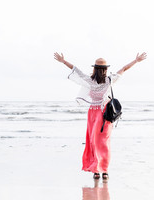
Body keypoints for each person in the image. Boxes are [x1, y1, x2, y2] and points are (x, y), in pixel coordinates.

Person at [54, 52, 147, 180]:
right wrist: (136, 61)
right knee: (104, 143)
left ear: (95, 69)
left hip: (93, 113)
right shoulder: (110, 80)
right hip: (104, 114)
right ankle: (104, 170)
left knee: (94, 142)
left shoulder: (90, 80)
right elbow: (124, 68)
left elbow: (75, 70)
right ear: (105, 69)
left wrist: (63, 61)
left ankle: (96, 170)